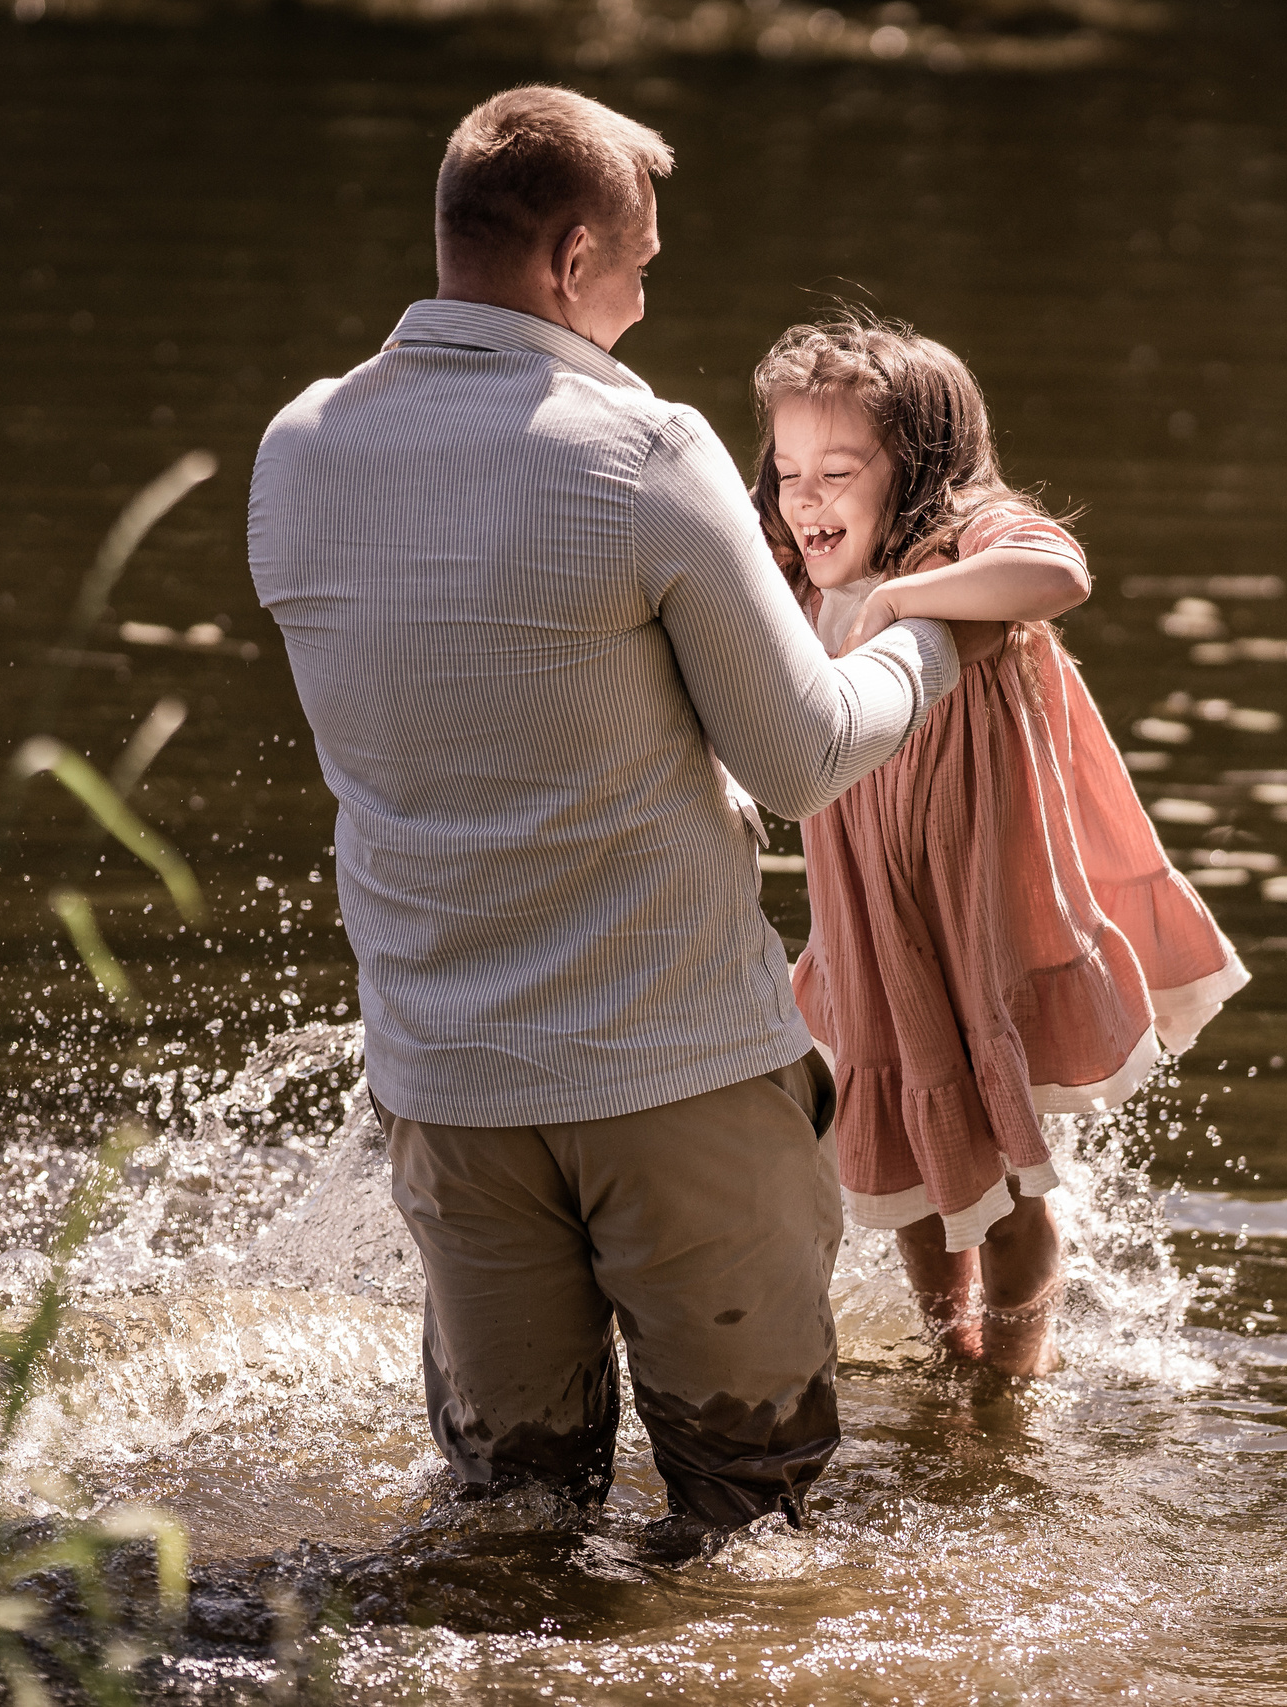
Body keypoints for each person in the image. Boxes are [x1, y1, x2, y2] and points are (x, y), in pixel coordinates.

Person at [246, 88, 975, 1562]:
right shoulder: (641, 449)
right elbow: (801, 754)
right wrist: (933, 632)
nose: (645, 302)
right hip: (673, 1077)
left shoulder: (299, 447)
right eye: (640, 265)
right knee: (749, 1523)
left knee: (505, 1524)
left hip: (448, 1083)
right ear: (572, 258)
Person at [752, 316, 1249, 1376]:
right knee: (914, 1183)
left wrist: (897, 599)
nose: (804, 496)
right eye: (788, 467)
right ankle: (950, 1361)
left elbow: (1056, 570)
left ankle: (1013, 1381)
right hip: (875, 928)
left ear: (921, 468)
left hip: (972, 916)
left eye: (837, 471)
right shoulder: (795, 581)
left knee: (1009, 1176)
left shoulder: (957, 554)